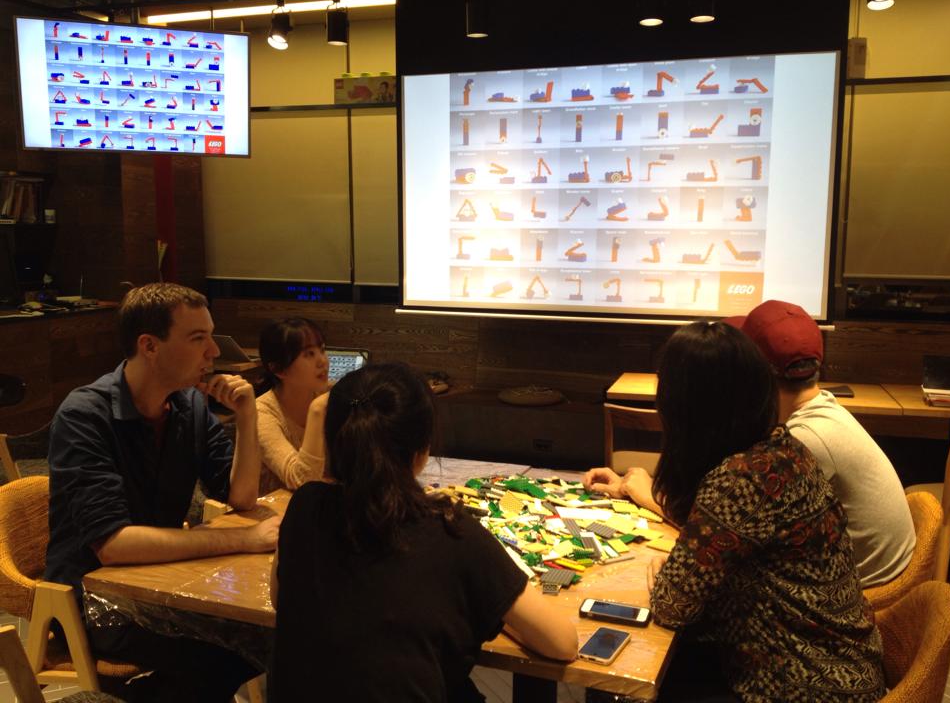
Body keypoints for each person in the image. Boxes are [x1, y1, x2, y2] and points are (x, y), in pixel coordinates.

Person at [600, 322, 885, 701]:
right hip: (844, 664)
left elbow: (671, 605)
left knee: (628, 668)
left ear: (683, 408)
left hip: (805, 685)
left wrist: (674, 574)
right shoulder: (786, 449)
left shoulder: (740, 479)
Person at [270, 362, 577, 702]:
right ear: (422, 450)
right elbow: (562, 643)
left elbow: (279, 599)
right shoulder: (450, 530)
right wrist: (494, 607)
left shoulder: (304, 505)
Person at [44, 283, 279, 703]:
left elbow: (241, 498)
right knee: (229, 654)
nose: (213, 352)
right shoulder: (85, 416)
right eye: (198, 338)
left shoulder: (189, 406)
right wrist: (243, 538)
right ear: (149, 346)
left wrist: (247, 417)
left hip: (163, 586)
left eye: (210, 336)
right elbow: (113, 545)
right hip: (96, 602)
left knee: (272, 637)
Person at [729, 299, 914, 587]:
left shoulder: (806, 440)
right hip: (871, 571)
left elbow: (738, 534)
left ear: (756, 375)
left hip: (861, 591)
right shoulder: (824, 407)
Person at [255, 317, 330, 494]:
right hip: (274, 509)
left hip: (318, 504)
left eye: (322, 350)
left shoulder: (326, 396)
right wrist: (317, 410)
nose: (322, 361)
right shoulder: (261, 413)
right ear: (279, 369)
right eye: (309, 354)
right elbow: (302, 481)